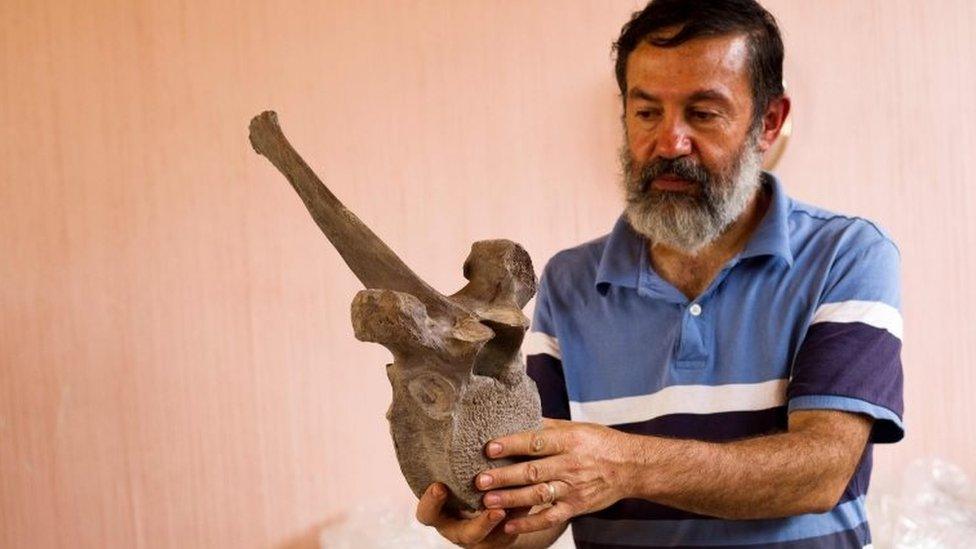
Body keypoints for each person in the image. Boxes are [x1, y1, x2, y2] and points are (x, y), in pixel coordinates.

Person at [416, 0, 904, 547]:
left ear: (768, 123)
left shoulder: (846, 253)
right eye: (647, 112)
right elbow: (552, 497)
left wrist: (625, 465)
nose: (670, 144)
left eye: (703, 113)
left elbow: (822, 471)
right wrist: (497, 524)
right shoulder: (568, 281)